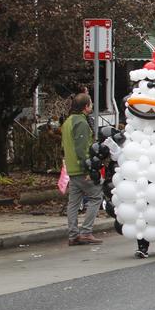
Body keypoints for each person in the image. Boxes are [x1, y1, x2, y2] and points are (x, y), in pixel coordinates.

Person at [60, 93, 103, 246]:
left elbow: (64, 147)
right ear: (86, 107)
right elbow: (82, 149)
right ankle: (86, 232)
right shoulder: (81, 123)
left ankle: (73, 235)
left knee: (73, 203)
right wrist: (88, 169)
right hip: (81, 169)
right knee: (96, 196)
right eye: (90, 104)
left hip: (71, 168)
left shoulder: (67, 122)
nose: (91, 107)